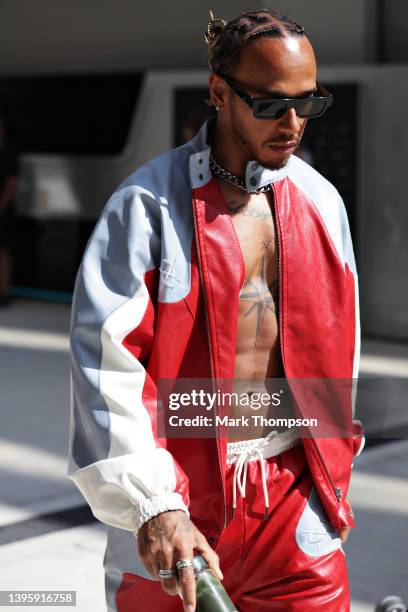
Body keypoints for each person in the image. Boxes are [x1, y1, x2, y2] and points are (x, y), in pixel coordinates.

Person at [67, 9, 363, 612]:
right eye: (269, 105)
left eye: (308, 104)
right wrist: (153, 506)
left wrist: (333, 471)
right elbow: (105, 365)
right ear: (219, 93)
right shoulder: (146, 207)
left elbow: (338, 348)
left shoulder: (321, 202)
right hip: (180, 509)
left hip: (293, 501)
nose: (291, 124)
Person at [0, 115, 19, 305]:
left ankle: (3, 291)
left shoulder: (7, 152)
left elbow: (12, 183)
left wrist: (2, 207)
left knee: (3, 251)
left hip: (3, 211)